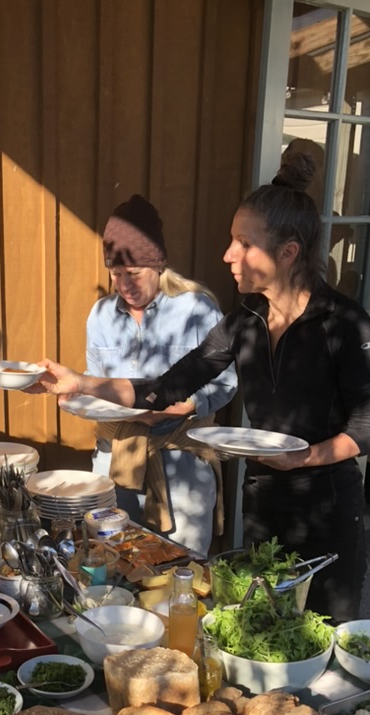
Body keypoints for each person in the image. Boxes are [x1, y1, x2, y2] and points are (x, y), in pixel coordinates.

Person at [36, 173, 370, 623]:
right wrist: (81, 383)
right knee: (264, 625)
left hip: (327, 506)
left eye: (244, 243)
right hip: (262, 496)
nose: (228, 255)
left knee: (326, 630)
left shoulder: (344, 323)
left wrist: (303, 458)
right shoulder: (244, 321)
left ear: (288, 253)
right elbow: (166, 388)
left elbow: (369, 428)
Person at [86, 195, 237, 555]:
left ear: (158, 265)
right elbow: (95, 383)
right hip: (115, 459)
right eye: (116, 274)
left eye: (134, 273)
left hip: (180, 460)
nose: (124, 284)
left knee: (184, 566)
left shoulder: (196, 309)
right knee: (115, 559)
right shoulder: (101, 315)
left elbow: (226, 381)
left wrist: (188, 405)